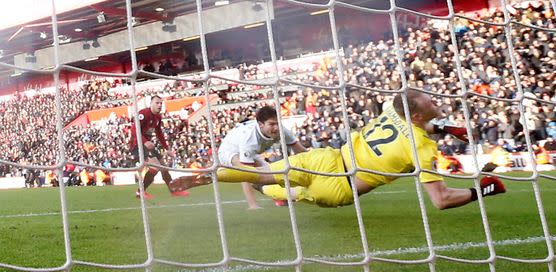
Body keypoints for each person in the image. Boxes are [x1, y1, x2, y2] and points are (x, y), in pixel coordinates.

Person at [169, 90, 506, 210]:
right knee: (272, 184)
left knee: (264, 173)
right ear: (417, 114)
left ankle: (203, 177)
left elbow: (418, 122)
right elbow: (441, 200)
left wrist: (448, 127)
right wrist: (483, 190)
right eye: (431, 101)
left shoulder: (392, 111)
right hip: (338, 185)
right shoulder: (420, 147)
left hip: (325, 157)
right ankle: (263, 189)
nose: (437, 102)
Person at [218, 106, 307, 209]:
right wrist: (253, 205)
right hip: (229, 152)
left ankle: (280, 197)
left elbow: (300, 151)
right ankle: (254, 203)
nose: (276, 127)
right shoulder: (249, 138)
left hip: (251, 153)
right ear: (260, 125)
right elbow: (244, 173)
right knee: (251, 174)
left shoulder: (282, 131)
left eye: (277, 123)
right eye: (272, 124)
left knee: (270, 174)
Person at [129, 95, 188, 199]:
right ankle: (140, 192)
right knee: (155, 167)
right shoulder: (143, 114)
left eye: (161, 103)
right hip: (137, 144)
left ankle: (173, 190)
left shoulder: (158, 117)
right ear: (151, 104)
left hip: (148, 145)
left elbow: (159, 133)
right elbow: (134, 130)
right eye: (157, 103)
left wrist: (167, 148)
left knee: (163, 166)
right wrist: (145, 141)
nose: (160, 105)